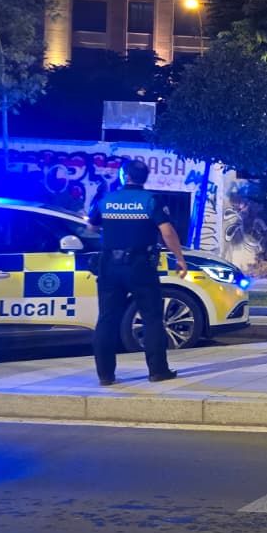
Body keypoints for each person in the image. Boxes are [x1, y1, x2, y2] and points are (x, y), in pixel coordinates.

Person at [88, 158, 187, 385]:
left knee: (106, 320)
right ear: (145, 177)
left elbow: (91, 226)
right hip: (140, 266)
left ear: (125, 175)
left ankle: (105, 375)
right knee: (151, 318)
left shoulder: (107, 199)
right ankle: (157, 371)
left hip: (110, 267)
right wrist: (180, 259)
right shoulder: (150, 200)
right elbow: (167, 232)